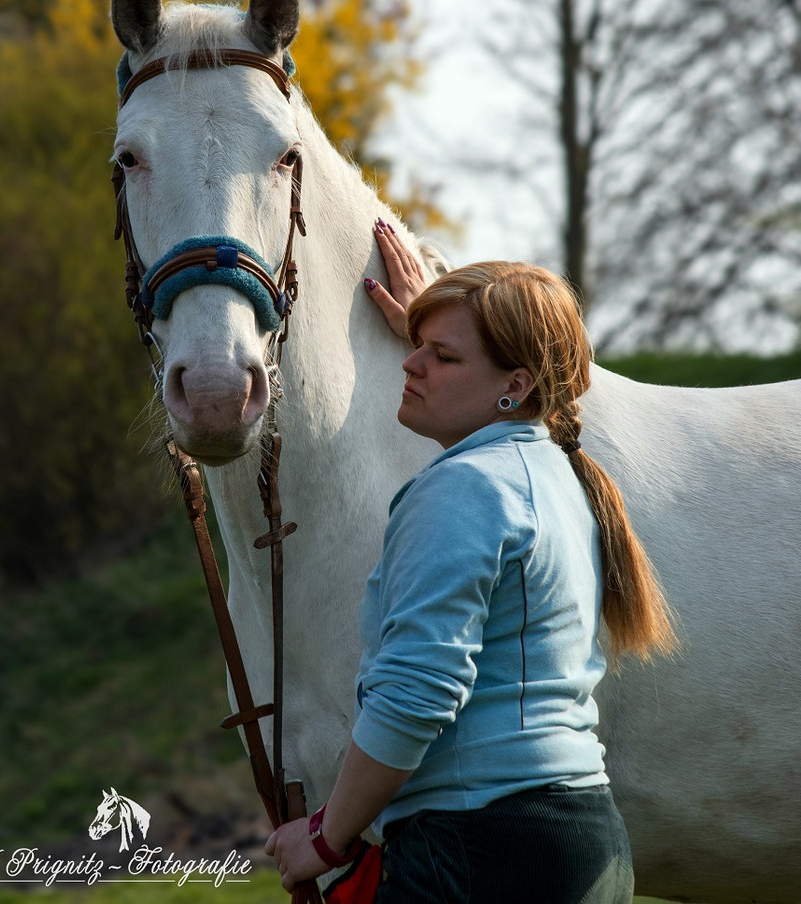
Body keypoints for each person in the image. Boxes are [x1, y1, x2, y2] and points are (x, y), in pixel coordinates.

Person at [265, 219, 678, 903]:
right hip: (580, 847)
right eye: (417, 346)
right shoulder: (554, 474)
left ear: (513, 385)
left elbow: (416, 693)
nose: (410, 363)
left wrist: (326, 835)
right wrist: (448, 341)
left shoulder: (465, 489)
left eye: (441, 357)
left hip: (482, 853)